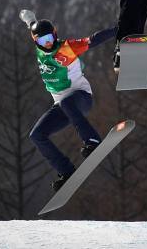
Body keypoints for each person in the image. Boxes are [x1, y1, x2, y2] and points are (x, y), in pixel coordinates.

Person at [19, 10, 116, 191]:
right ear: (36, 42)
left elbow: (93, 40)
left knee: (66, 103)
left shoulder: (66, 47)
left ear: (54, 34)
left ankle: (92, 141)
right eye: (41, 40)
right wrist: (29, 20)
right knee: (37, 135)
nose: (47, 43)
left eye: (49, 37)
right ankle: (66, 171)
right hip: (63, 107)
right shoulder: (40, 51)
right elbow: (33, 29)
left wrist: (118, 30)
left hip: (82, 98)